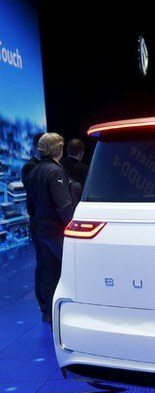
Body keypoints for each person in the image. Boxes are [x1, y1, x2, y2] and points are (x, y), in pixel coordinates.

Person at [25, 133, 79, 323]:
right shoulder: (55, 171)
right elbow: (64, 206)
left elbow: (29, 206)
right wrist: (74, 227)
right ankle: (67, 314)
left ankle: (50, 313)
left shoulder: (34, 171)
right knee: (66, 273)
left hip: (42, 231)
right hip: (57, 233)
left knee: (47, 274)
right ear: (59, 149)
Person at [21, 132, 45, 316]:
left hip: (48, 222)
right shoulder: (30, 167)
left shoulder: (46, 165)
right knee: (43, 263)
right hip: (38, 222)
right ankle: (44, 305)